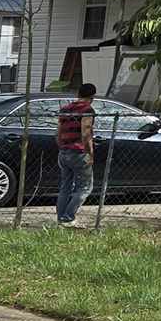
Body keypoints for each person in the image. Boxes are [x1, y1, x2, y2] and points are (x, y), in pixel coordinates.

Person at [56, 81, 97, 224]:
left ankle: (61, 218)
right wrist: (90, 153)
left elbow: (59, 132)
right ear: (92, 96)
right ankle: (68, 217)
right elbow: (86, 133)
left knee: (65, 186)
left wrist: (62, 147)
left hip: (64, 152)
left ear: (78, 94)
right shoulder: (87, 110)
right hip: (79, 152)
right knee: (85, 187)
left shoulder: (65, 109)